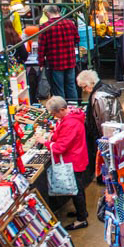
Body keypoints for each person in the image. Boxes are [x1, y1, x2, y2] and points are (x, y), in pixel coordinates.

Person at [41, 96, 89, 231]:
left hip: (73, 161)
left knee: (76, 190)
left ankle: (81, 220)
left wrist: (46, 143)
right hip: (78, 157)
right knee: (78, 188)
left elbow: (61, 147)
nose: (54, 116)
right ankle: (82, 212)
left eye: (54, 114)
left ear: (62, 110)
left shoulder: (70, 123)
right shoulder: (72, 116)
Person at [76, 69, 124, 179]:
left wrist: (103, 140)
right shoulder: (103, 90)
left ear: (91, 83)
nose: (84, 90)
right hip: (115, 132)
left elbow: (103, 121)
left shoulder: (99, 97)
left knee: (111, 163)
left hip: (109, 136)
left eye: (84, 87)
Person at [36, 6, 79, 102]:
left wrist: (41, 63)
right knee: (71, 85)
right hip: (70, 61)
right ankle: (75, 108)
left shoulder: (45, 27)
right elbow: (77, 39)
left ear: (47, 13)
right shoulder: (70, 24)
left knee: (59, 89)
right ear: (58, 12)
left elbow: (41, 48)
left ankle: (62, 110)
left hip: (55, 63)